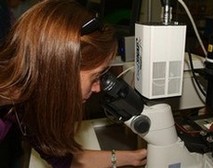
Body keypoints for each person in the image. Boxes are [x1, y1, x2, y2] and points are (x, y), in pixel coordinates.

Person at [0, 0, 147, 167]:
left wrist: (134, 158)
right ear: (59, 70)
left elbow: (65, 159)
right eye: (95, 77)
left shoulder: (24, 105)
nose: (98, 88)